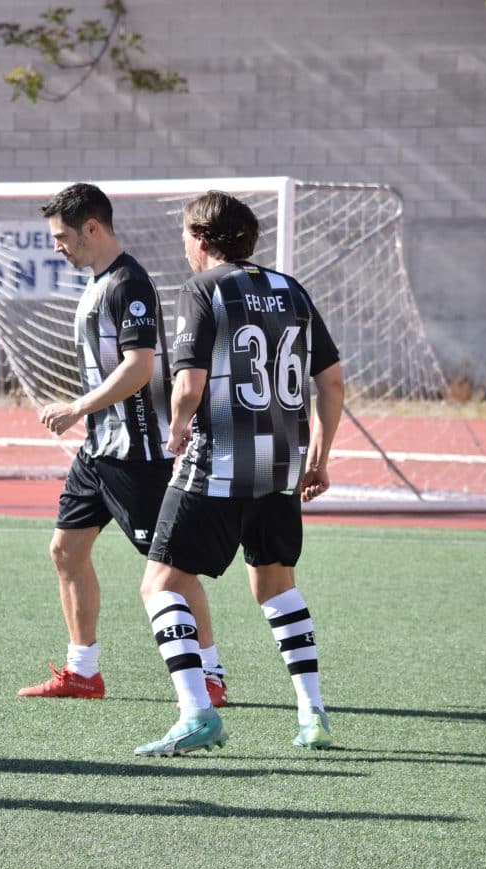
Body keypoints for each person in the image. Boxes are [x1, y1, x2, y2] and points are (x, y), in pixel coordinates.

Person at [134, 190, 344, 756]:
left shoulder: (203, 289)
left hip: (217, 468)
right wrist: (318, 458)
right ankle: (313, 713)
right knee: (277, 587)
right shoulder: (290, 289)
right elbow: (333, 382)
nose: (184, 245)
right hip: (281, 470)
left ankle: (196, 712)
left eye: (185, 234)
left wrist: (176, 430)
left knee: (159, 585)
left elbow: (190, 383)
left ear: (201, 238)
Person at [18, 183, 227, 707]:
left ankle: (210, 676)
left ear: (93, 228)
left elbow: (140, 368)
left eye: (62, 236)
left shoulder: (129, 283)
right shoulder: (99, 281)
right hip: (99, 451)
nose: (57, 246)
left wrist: (76, 407)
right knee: (65, 551)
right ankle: (82, 671)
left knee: (171, 568)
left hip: (140, 455)